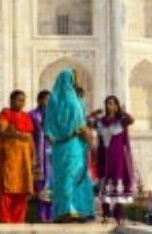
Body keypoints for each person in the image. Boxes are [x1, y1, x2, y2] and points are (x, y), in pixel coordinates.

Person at [44, 70, 95, 222]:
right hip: (74, 145)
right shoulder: (74, 101)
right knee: (75, 176)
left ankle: (62, 211)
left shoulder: (52, 101)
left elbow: (47, 130)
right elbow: (82, 126)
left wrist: (58, 139)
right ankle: (75, 209)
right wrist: (91, 144)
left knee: (62, 177)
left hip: (59, 147)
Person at [0, 90, 35, 224]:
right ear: (11, 101)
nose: (21, 103)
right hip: (10, 157)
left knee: (23, 190)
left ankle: (18, 221)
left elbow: (30, 137)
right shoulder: (5, 114)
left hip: (24, 159)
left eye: (23, 100)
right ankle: (6, 221)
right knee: (7, 189)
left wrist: (34, 157)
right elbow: (1, 131)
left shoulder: (26, 116)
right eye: (18, 100)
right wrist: (17, 135)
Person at [91, 95, 135, 225]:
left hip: (118, 158)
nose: (109, 106)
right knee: (105, 186)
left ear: (116, 106)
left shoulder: (120, 121)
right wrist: (93, 113)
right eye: (107, 103)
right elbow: (85, 122)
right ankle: (105, 214)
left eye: (111, 103)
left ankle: (119, 215)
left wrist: (122, 111)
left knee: (118, 187)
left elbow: (131, 120)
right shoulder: (100, 122)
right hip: (104, 157)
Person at [29, 90, 53, 222]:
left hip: (51, 153)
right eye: (46, 99)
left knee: (52, 183)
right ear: (39, 100)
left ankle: (52, 214)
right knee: (40, 183)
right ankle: (42, 214)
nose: (48, 102)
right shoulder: (32, 115)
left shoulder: (54, 116)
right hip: (38, 153)